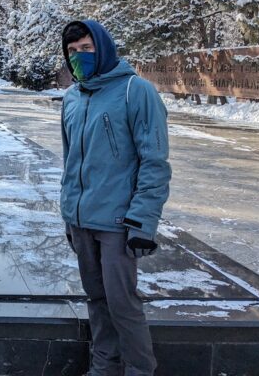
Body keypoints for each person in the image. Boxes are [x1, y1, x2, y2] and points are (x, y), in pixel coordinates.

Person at [60, 20, 171, 376]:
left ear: (103, 48)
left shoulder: (135, 91)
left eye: (87, 49)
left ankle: (139, 370)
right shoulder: (72, 99)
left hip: (119, 223)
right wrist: (68, 214)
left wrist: (143, 220)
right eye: (73, 51)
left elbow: (154, 162)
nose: (79, 57)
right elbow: (70, 162)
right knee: (97, 301)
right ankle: (103, 368)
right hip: (81, 221)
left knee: (123, 305)